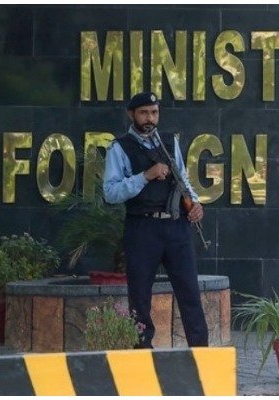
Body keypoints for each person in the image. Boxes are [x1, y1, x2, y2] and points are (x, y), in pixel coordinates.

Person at [103, 91, 208, 348]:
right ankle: (142, 356)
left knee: (190, 294)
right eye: (144, 112)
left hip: (176, 226)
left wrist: (195, 204)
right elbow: (111, 193)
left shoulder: (170, 142)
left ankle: (201, 355)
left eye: (154, 112)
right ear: (132, 114)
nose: (150, 118)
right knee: (139, 297)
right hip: (143, 228)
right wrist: (145, 176)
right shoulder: (120, 147)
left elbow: (183, 180)